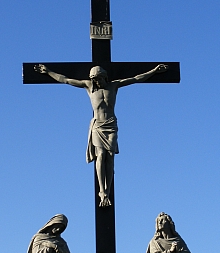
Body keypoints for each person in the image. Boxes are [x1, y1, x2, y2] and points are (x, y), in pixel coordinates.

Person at [34, 63, 168, 207]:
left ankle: (108, 191)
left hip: (111, 125)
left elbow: (136, 78)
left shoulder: (114, 86)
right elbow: (65, 79)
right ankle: (102, 192)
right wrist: (48, 72)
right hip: (98, 125)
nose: (96, 82)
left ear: (104, 77)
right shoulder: (89, 87)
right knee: (101, 155)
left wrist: (154, 71)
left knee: (110, 158)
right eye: (94, 79)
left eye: (98, 79)